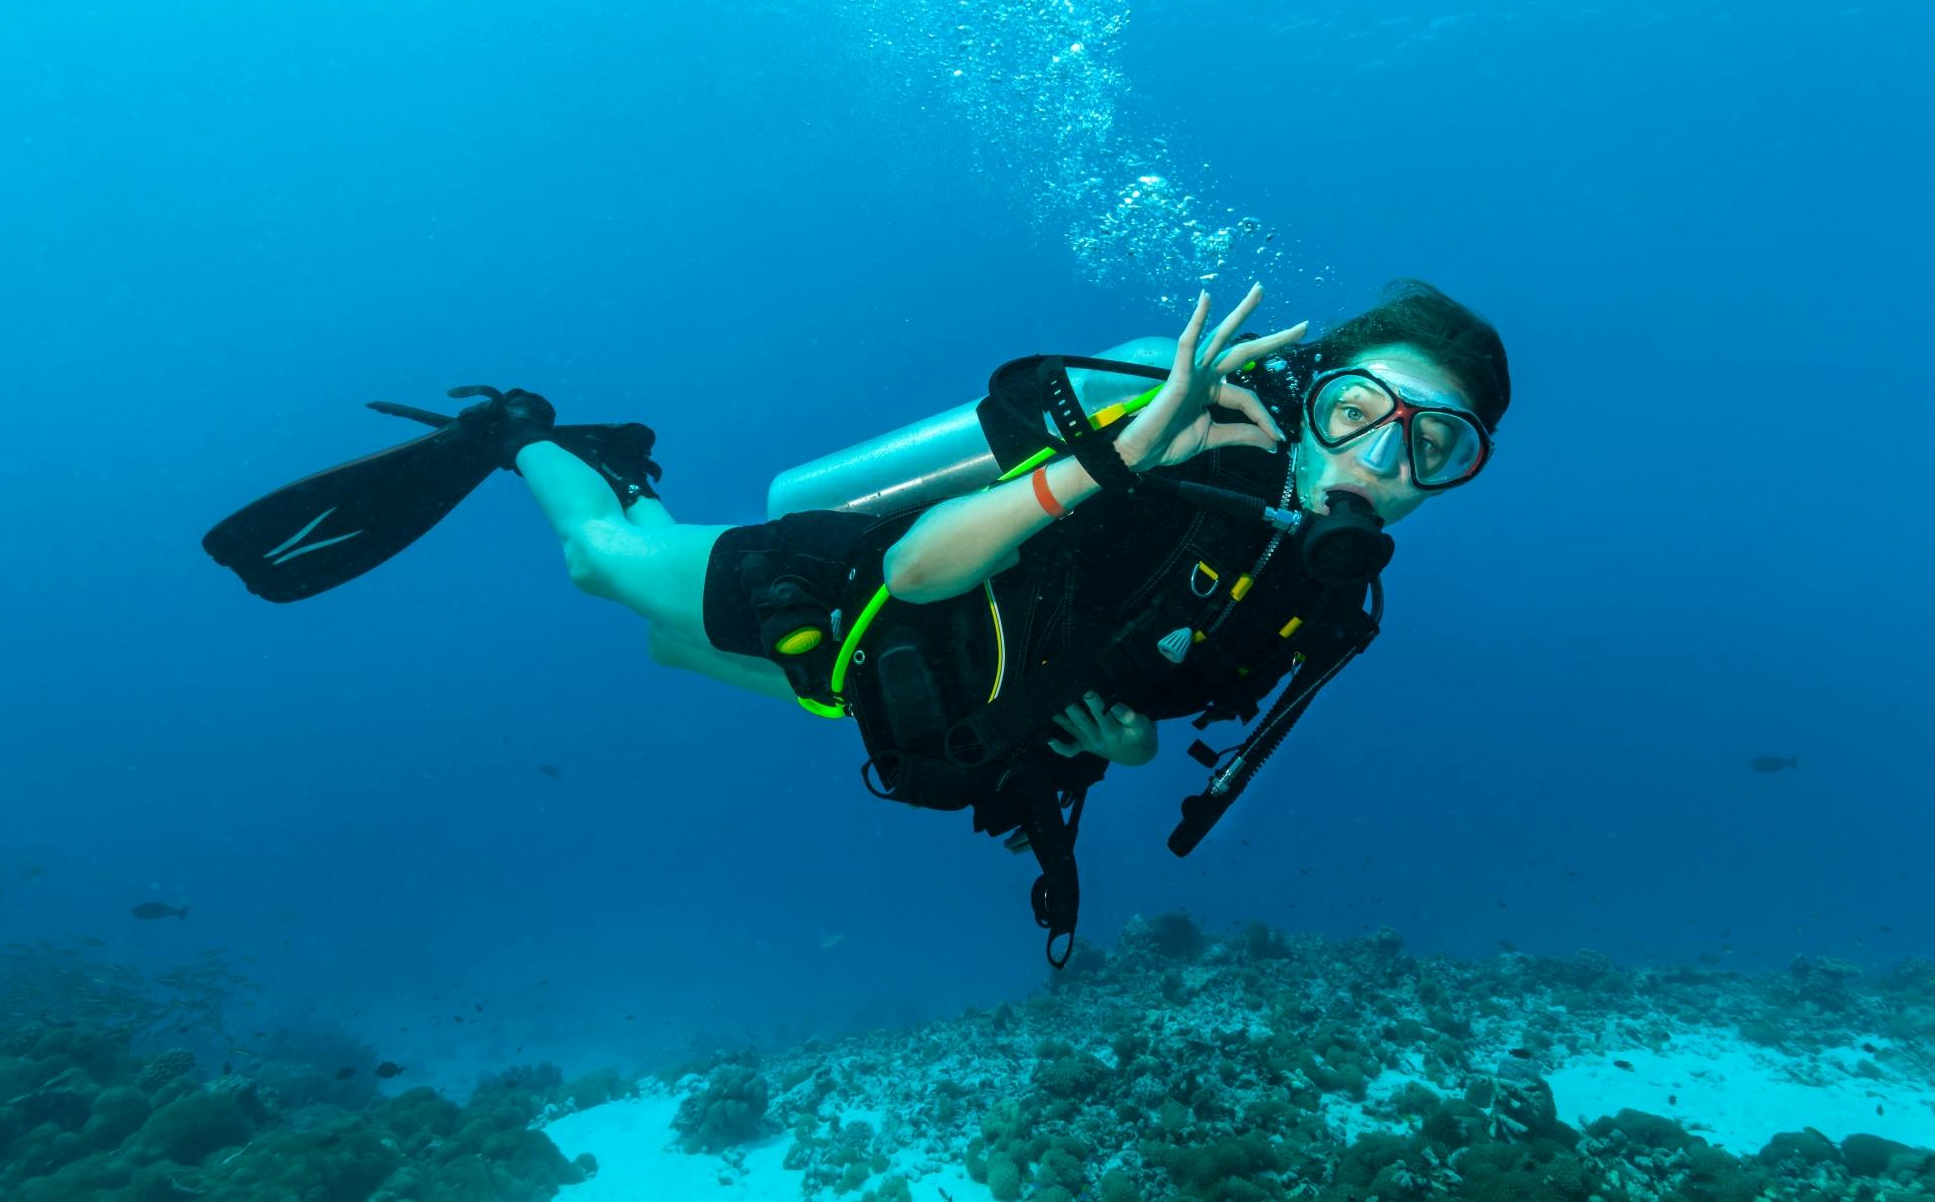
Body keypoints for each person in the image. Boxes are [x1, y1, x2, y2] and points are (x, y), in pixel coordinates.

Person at [204, 279, 1509, 963]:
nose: (1382, 458)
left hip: (925, 700)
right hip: (859, 593)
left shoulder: (1326, 595)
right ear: (1315, 387)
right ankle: (526, 434)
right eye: (1360, 410)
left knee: (667, 645)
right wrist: (1119, 455)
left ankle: (605, 474)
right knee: (608, 566)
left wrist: (1126, 751)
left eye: (1434, 445)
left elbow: (1170, 708)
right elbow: (924, 564)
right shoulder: (1177, 442)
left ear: (1453, 478)